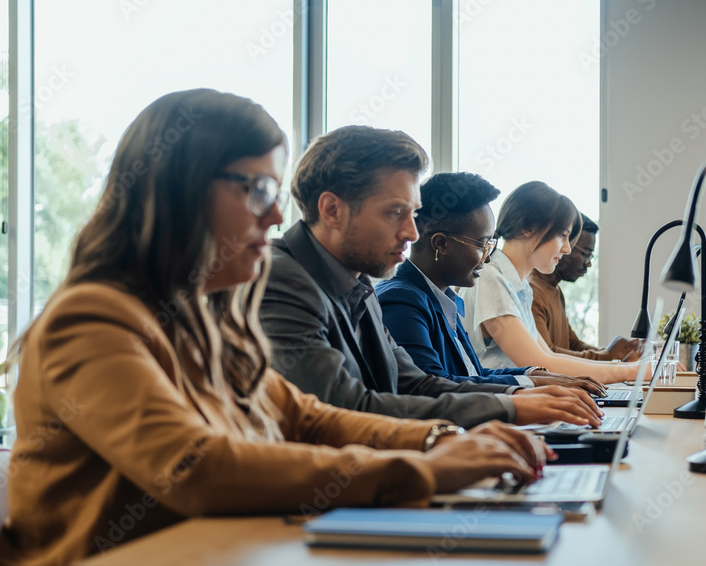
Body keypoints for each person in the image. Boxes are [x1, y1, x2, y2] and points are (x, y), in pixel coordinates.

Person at [0, 90, 553, 566]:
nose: (277, 215)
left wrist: (440, 441)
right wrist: (420, 470)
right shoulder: (91, 319)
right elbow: (194, 466)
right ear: (182, 191)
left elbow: (306, 417)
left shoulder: (208, 318)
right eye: (258, 190)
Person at [260, 126, 602, 427]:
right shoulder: (281, 280)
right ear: (331, 210)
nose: (412, 233)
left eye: (412, 213)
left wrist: (516, 398)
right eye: (396, 212)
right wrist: (508, 408)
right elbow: (345, 409)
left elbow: (416, 384)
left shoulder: (360, 284)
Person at [376, 171, 606, 395]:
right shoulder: (402, 300)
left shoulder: (442, 298)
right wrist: (525, 388)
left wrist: (533, 375)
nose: (487, 257)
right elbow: (432, 387)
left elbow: (471, 373)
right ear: (441, 244)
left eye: (491, 245)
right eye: (482, 245)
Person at [459, 181, 640, 385]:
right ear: (529, 228)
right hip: (498, 406)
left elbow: (550, 358)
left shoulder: (520, 288)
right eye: (563, 235)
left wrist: (626, 367)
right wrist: (629, 371)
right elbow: (540, 364)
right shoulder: (491, 280)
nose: (567, 249)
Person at [531, 214, 643, 361]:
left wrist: (621, 354)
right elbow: (547, 355)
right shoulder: (532, 292)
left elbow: (574, 345)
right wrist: (609, 356)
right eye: (585, 254)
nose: (588, 263)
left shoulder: (555, 290)